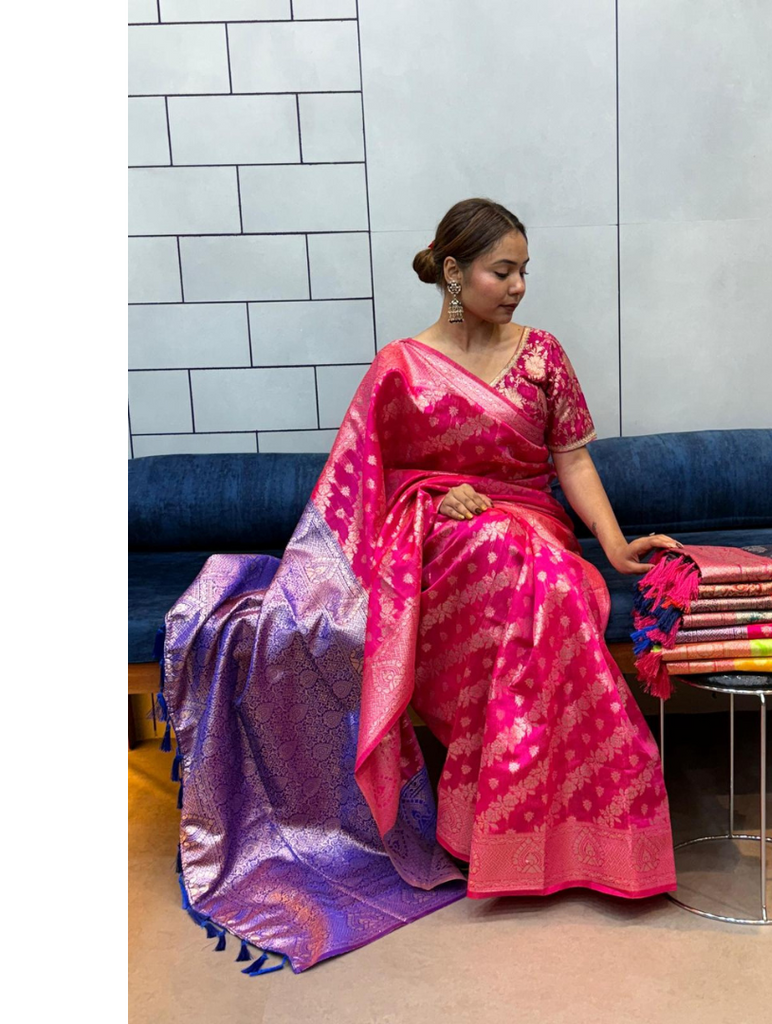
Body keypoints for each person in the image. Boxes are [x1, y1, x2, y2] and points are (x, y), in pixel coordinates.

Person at [162, 198, 683, 974]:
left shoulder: (543, 354)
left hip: (532, 530)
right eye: (502, 271)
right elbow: (368, 484)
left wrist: (613, 545)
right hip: (434, 544)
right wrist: (437, 496)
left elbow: (571, 459)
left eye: (524, 271)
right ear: (454, 273)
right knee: (509, 559)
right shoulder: (400, 367)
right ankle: (503, 826)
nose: (518, 287)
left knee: (539, 573)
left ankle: (567, 828)